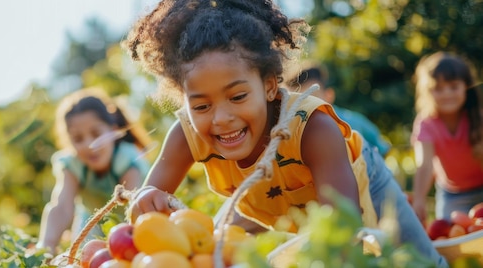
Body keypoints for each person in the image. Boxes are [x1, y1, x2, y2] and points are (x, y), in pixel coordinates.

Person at [121, 0, 447, 266]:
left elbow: (344, 228)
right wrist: (145, 202)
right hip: (267, 202)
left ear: (269, 86)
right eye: (201, 106)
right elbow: (142, 208)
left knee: (422, 262)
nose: (221, 118)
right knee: (218, 248)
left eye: (237, 97)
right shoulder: (186, 136)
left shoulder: (313, 129)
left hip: (362, 189)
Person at [35, 88, 151, 255]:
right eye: (78, 139)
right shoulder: (72, 165)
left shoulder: (127, 159)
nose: (89, 145)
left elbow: (136, 209)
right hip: (91, 221)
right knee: (83, 257)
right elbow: (61, 207)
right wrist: (47, 246)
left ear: (112, 131)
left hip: (133, 220)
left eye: (96, 134)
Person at [410, 51, 483, 224]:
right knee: (450, 236)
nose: (447, 94)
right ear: (427, 91)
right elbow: (425, 165)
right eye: (438, 88)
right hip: (452, 195)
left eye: (453, 86)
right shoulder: (426, 123)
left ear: (466, 86)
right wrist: (419, 199)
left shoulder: (478, 119)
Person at [286, 61, 392, 156]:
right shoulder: (289, 131)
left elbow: (383, 149)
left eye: (312, 98)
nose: (305, 106)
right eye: (297, 101)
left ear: (329, 95)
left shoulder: (354, 123)